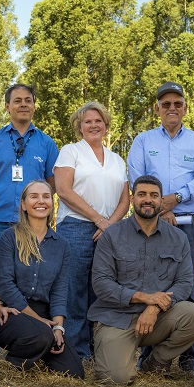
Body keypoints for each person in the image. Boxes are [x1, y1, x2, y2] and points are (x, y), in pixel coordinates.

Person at [127, 81, 194, 372]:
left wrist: (174, 199)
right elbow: (136, 177)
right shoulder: (143, 141)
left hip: (188, 223)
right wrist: (159, 210)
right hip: (151, 224)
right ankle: (151, 353)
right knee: (151, 284)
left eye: (177, 103)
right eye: (166, 104)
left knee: (187, 287)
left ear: (185, 108)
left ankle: (188, 356)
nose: (172, 109)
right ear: (157, 109)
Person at [89, 175, 194, 384]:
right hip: (117, 318)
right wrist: (144, 298)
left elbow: (184, 283)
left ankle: (154, 362)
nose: (148, 200)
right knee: (115, 379)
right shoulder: (111, 235)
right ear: (133, 199)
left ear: (161, 201)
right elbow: (101, 283)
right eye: (142, 194)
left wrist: (153, 308)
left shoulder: (178, 237)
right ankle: (119, 357)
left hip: (159, 318)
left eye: (154, 195)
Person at [54, 102, 129, 361]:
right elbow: (63, 190)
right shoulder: (70, 152)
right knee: (75, 290)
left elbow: (125, 200)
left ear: (106, 125)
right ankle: (76, 352)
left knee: (102, 290)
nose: (93, 125)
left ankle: (100, 348)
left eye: (98, 121)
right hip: (76, 226)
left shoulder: (118, 160)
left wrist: (109, 224)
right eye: (87, 121)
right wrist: (98, 219)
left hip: (109, 230)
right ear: (80, 127)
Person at [0, 180, 84, 378]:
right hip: (11, 313)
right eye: (34, 196)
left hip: (45, 316)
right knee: (41, 335)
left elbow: (60, 291)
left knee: (74, 372)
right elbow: (5, 286)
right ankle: (13, 365)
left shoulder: (62, 245)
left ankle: (38, 351)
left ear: (52, 203)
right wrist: (41, 322)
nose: (41, 201)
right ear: (23, 204)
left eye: (46, 196)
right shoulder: (9, 237)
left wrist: (58, 327)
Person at [0, 83, 60, 246]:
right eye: (18, 101)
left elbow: (52, 185)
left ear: (34, 106)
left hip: (33, 222)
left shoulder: (47, 143)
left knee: (31, 270)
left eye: (28, 100)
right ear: (7, 106)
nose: (23, 104)